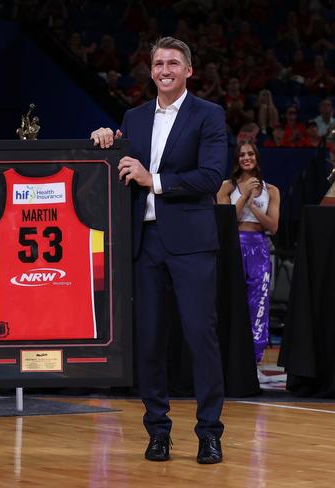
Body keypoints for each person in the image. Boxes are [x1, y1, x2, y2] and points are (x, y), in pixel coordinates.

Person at [91, 36, 226, 464]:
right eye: (158, 63)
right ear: (150, 71)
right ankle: (158, 431)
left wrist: (157, 181)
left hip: (191, 245)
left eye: (173, 63)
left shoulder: (209, 114)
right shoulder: (133, 118)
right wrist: (104, 140)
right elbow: (120, 167)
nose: (164, 69)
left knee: (200, 339)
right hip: (144, 244)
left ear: (189, 70)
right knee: (149, 341)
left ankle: (209, 433)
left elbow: (210, 177)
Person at [217, 142, 279, 379]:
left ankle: (254, 361)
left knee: (258, 303)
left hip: (259, 247)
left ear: (257, 158)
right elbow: (225, 220)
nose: (246, 157)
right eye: (242, 154)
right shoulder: (225, 187)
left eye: (250, 153)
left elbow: (273, 226)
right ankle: (229, 359)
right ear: (236, 159)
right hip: (232, 245)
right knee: (231, 300)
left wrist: (254, 203)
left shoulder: (271, 190)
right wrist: (243, 196)